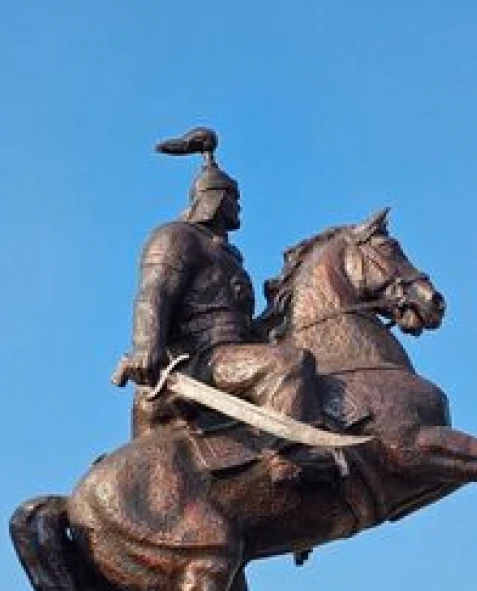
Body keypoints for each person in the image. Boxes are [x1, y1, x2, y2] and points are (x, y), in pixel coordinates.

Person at [117, 127, 333, 484]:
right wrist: (146, 345)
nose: (239, 206)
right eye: (234, 198)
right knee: (289, 364)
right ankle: (288, 455)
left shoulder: (226, 254)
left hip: (229, 352)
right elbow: (154, 293)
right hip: (198, 360)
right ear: (215, 198)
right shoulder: (176, 237)